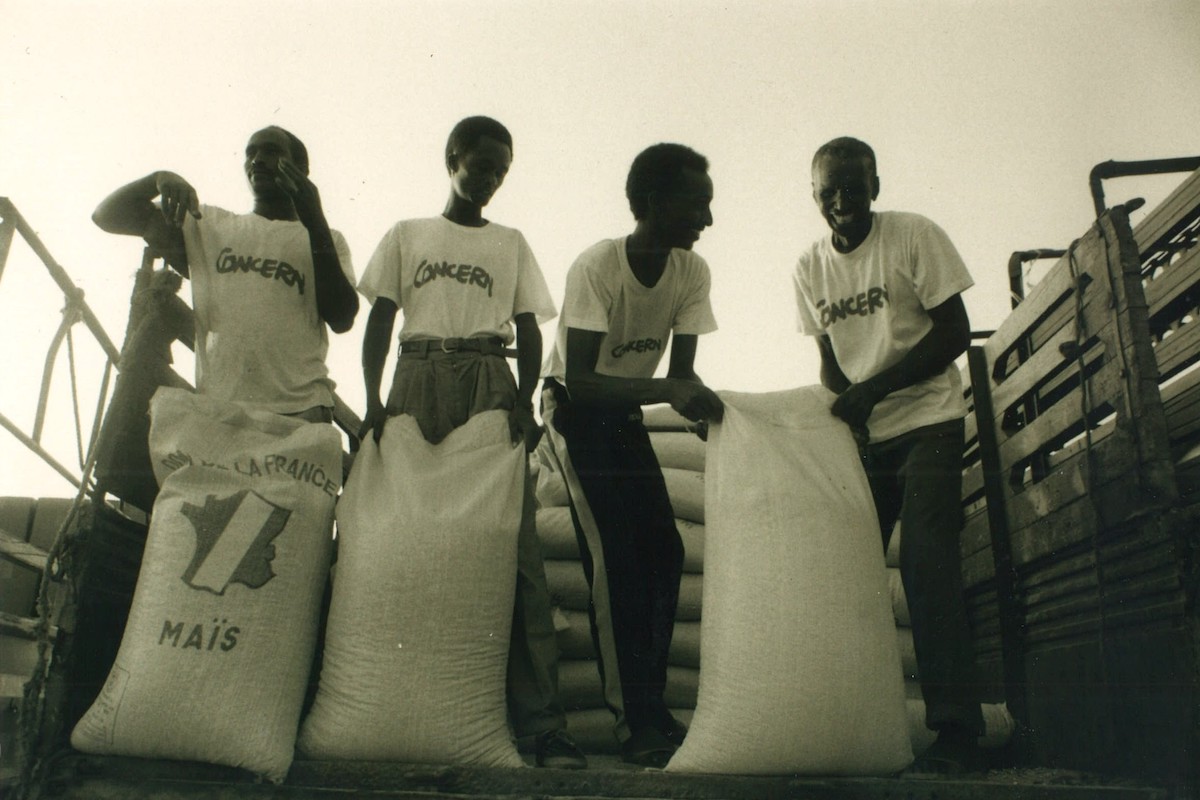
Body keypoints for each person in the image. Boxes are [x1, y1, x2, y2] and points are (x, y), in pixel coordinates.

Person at [357, 116, 586, 770]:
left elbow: (528, 325)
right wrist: (373, 400)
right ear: (453, 159)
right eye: (481, 165)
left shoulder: (510, 242)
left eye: (501, 171)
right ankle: (387, 703)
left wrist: (522, 398)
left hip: (488, 373)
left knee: (513, 547)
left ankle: (542, 725)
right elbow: (380, 318)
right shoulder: (408, 235)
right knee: (400, 530)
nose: (490, 180)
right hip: (417, 372)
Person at [792, 136, 985, 773]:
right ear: (813, 194)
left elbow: (954, 332)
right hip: (868, 442)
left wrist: (875, 388)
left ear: (876, 184)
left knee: (926, 560)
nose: (842, 200)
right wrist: (845, 409)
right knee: (843, 572)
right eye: (829, 190)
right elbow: (829, 362)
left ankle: (956, 728)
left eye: (855, 185)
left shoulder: (912, 236)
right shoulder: (807, 269)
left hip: (929, 420)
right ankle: (845, 725)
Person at [541, 143, 724, 768]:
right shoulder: (597, 266)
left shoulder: (692, 273)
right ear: (654, 203)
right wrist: (672, 393)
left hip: (619, 414)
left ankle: (652, 705)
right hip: (572, 407)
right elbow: (585, 380)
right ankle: (632, 721)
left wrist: (699, 409)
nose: (707, 218)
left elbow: (682, 376)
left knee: (665, 549)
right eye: (696, 204)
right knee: (614, 553)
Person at [91, 125, 359, 421]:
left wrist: (315, 221)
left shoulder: (328, 239)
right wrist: (157, 179)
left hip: (301, 412)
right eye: (250, 153)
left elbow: (342, 318)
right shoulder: (207, 225)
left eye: (271, 151)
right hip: (222, 412)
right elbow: (106, 216)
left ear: (300, 169)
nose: (257, 160)